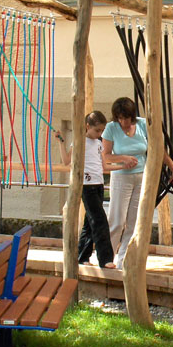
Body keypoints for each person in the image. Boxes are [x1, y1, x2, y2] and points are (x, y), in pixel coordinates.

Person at [102, 97, 173, 269]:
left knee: (134, 221)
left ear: (132, 116)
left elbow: (158, 149)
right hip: (121, 177)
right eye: (120, 118)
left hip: (141, 176)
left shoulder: (143, 124)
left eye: (127, 118)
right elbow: (105, 156)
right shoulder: (111, 128)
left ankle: (124, 260)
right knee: (117, 220)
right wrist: (123, 158)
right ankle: (106, 257)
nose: (124, 122)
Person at [55, 111, 117, 269]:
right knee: (100, 220)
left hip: (99, 184)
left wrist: (123, 166)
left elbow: (103, 166)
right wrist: (61, 142)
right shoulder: (79, 141)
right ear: (87, 126)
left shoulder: (99, 143)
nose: (100, 134)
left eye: (102, 131)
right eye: (97, 130)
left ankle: (82, 256)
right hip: (87, 186)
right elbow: (66, 161)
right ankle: (105, 259)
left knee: (89, 223)